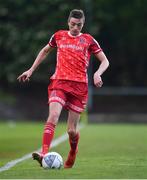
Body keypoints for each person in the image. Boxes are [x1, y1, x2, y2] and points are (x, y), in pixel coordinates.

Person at [17, 9, 109, 168]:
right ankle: (44, 154)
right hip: (59, 82)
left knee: (72, 131)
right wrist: (30, 70)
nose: (75, 28)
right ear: (68, 22)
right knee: (53, 116)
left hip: (79, 87)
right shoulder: (58, 35)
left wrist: (98, 74)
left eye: (79, 25)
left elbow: (105, 61)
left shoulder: (88, 40)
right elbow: (45, 50)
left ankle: (73, 151)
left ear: (83, 24)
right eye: (73, 24)